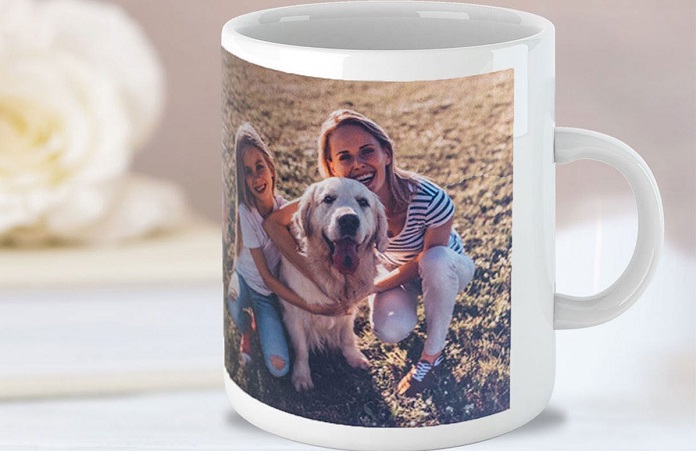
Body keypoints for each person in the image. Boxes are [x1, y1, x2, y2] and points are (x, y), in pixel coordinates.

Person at [265, 110, 475, 396]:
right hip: (395, 273)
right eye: (345, 157)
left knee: (434, 262)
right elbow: (275, 223)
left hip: (446, 267)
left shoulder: (430, 198)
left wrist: (367, 288)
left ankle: (430, 358)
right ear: (332, 165)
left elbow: (424, 260)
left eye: (367, 152)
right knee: (390, 330)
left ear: (386, 153)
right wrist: (307, 271)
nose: (358, 164)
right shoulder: (333, 195)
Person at [228, 123, 343, 378]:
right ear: (242, 180)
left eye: (260, 167)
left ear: (271, 167)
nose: (257, 178)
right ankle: (246, 329)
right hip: (250, 282)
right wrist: (311, 307)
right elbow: (266, 278)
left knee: (279, 369)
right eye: (247, 172)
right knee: (235, 304)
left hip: (269, 296)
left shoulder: (283, 209)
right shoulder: (246, 215)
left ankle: (260, 319)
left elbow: (313, 202)